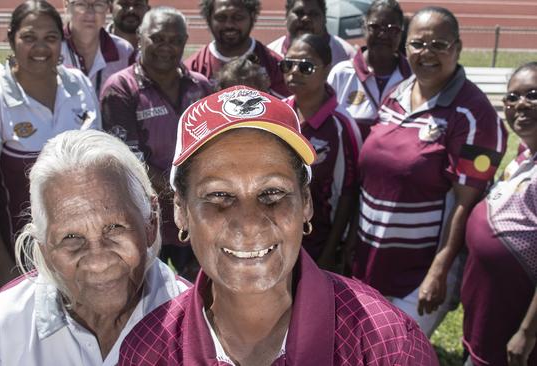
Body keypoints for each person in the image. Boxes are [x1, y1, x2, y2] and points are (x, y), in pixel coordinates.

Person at [118, 85, 439, 365]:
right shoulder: (148, 351)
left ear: (306, 204)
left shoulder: (388, 345)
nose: (249, 223)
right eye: (219, 196)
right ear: (181, 211)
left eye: (272, 193)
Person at [0, 130, 189, 365]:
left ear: (150, 223)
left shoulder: (196, 326)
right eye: (71, 237)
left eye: (115, 227)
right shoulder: (5, 326)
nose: (98, 262)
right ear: (44, 248)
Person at [350, 6, 507, 336]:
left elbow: (467, 202)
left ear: (458, 48)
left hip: (418, 272)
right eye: (418, 44)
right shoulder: (397, 93)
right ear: (405, 48)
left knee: (397, 350)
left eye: (439, 44)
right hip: (372, 259)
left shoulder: (473, 114)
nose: (427, 53)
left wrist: (439, 270)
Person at [0, 0, 100, 263]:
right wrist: (1, 261)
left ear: (62, 41)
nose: (40, 47)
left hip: (83, 248)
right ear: (11, 40)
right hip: (24, 253)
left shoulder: (80, 84)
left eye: (50, 37)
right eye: (28, 37)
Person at [101, 7, 212, 280]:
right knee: (146, 297)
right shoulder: (121, 88)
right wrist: (181, 193)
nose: (166, 47)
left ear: (186, 42)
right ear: (140, 38)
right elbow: (128, 158)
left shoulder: (201, 87)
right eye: (158, 38)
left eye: (175, 40)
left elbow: (212, 147)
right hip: (146, 220)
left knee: (201, 293)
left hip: (197, 217)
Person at [461, 62, 537, 366]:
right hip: (487, 321)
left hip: (515, 335)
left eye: (533, 95)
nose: (520, 104)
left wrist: (527, 333)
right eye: (512, 97)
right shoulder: (522, 156)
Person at [281, 34, 361, 271]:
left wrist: (329, 253)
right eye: (288, 64)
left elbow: (348, 195)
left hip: (321, 249)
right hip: (279, 245)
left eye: (305, 66)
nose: (294, 72)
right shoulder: (278, 114)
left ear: (326, 70)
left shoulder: (341, 125)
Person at [328, 0, 411, 137]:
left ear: (401, 33)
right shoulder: (342, 74)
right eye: (375, 27)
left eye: (392, 29)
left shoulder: (414, 77)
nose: (383, 35)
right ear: (364, 27)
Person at [185, 0, 289, 97]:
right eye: (221, 17)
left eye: (238, 17)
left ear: (252, 17)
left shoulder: (276, 66)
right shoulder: (192, 68)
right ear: (209, 18)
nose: (229, 24)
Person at [61, 0, 135, 98]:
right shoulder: (52, 48)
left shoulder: (124, 51)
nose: (90, 13)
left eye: (98, 4)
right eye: (81, 4)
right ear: (66, 6)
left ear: (108, 8)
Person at [268, 0, 355, 67]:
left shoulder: (347, 56)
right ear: (286, 15)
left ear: (324, 19)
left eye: (313, 14)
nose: (306, 19)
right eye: (299, 12)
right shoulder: (269, 55)